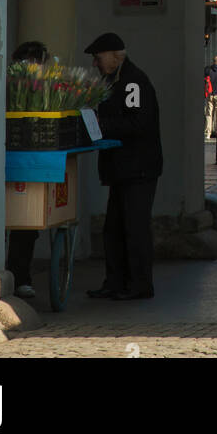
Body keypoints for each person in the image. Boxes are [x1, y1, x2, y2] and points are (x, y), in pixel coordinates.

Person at [85, 31, 163, 300]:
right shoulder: (113, 81)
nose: (95, 63)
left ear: (116, 56)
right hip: (122, 169)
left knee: (135, 227)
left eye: (98, 58)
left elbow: (139, 123)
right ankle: (116, 282)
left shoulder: (132, 82)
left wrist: (100, 126)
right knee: (114, 228)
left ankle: (139, 285)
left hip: (137, 168)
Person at [6, 39, 49, 299]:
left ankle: (20, 275)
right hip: (11, 158)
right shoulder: (8, 88)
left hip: (29, 163)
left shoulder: (44, 91)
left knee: (25, 223)